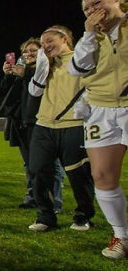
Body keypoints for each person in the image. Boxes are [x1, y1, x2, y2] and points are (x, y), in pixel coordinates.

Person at [68, 0, 128, 258]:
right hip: (101, 109)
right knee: (102, 175)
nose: (92, 10)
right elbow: (78, 67)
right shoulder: (91, 37)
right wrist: (89, 35)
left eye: (97, 3)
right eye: (86, 8)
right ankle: (121, 236)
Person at [27, 25, 95, 232]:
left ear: (64, 38)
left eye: (49, 41)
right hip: (44, 125)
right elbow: (34, 92)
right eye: (42, 43)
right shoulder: (45, 64)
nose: (45, 46)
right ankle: (45, 217)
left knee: (78, 175)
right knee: (37, 171)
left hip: (73, 125)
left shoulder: (81, 58)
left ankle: (83, 216)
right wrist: (41, 66)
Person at [0, 39, 65, 211]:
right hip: (22, 123)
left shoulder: (49, 68)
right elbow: (5, 90)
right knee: (29, 164)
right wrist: (8, 74)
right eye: (25, 52)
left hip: (42, 122)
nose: (28, 54)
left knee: (52, 164)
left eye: (33, 51)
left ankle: (55, 201)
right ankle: (33, 196)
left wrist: (25, 73)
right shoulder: (22, 69)